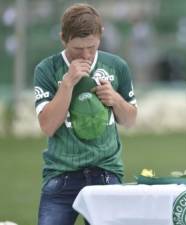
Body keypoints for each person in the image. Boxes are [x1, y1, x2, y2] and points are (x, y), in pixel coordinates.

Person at [33, 3, 137, 225]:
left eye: (92, 46)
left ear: (102, 35)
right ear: (63, 38)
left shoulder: (116, 66)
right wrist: (68, 83)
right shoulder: (47, 69)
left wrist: (114, 99)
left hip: (106, 172)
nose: (86, 54)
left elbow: (130, 120)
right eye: (78, 48)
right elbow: (47, 126)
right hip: (61, 174)